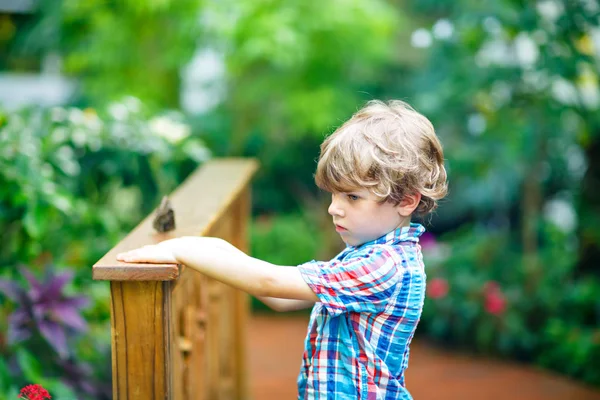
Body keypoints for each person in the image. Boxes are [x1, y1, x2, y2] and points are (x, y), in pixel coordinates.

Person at [117, 99, 448, 399]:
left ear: (406, 201)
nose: (334, 208)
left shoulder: (382, 266)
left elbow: (271, 283)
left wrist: (183, 250)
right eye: (333, 195)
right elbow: (282, 297)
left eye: (352, 197)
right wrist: (210, 246)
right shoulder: (371, 253)